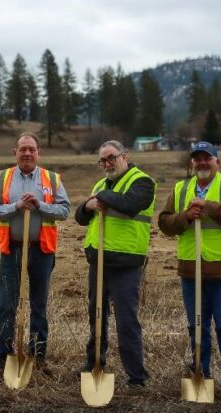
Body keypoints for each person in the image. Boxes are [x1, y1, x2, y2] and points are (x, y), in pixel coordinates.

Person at [158, 141, 221, 396]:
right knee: (196, 325)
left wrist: (210, 207)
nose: (202, 162)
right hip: (191, 269)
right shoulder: (180, 189)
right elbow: (164, 223)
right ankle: (201, 371)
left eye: (207, 158)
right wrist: (186, 216)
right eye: (197, 158)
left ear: (217, 162)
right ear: (192, 163)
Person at [0, 132, 70, 379]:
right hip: (12, 250)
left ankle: (38, 357)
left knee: (39, 306)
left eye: (31, 149)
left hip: (41, 250)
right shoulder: (3, 179)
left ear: (38, 152)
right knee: (6, 305)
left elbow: (64, 210)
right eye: (23, 149)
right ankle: (2, 357)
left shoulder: (51, 179)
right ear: (15, 152)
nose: (27, 153)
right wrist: (16, 207)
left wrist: (39, 205)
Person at [73, 140, 154, 389]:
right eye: (103, 160)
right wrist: (88, 205)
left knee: (126, 320)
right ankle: (94, 363)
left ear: (124, 156)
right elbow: (80, 217)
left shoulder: (142, 182)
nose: (107, 164)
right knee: (95, 315)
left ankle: (136, 376)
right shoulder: (101, 184)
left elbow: (129, 205)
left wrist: (100, 197)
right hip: (99, 260)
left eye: (111, 158)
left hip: (125, 262)